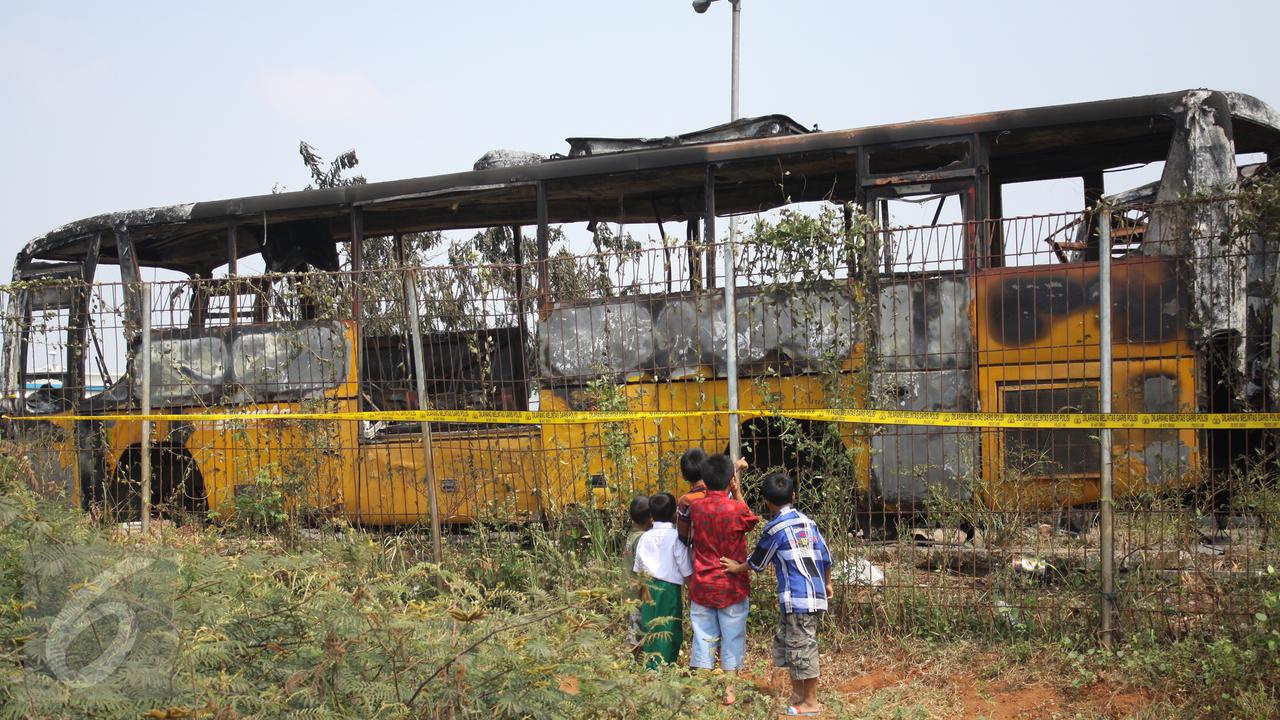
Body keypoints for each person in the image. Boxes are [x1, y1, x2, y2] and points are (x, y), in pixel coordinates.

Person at [721, 472, 832, 716]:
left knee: (803, 648)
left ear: (766, 502)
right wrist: (827, 583)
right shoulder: (808, 522)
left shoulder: (775, 529)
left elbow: (758, 561)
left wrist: (735, 567)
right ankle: (797, 695)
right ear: (793, 496)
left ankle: (811, 703)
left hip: (798, 598)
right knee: (791, 643)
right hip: (812, 594)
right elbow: (824, 555)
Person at [687, 453, 759, 705]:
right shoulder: (736, 508)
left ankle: (700, 692)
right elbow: (750, 520)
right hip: (731, 585)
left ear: (704, 480)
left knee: (703, 636)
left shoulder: (695, 508)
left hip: (703, 585)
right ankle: (729, 690)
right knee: (732, 637)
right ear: (730, 480)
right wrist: (737, 492)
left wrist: (732, 472)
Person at [633, 492, 692, 668]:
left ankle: (651, 667)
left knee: (650, 627)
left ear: (651, 515)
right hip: (669, 590)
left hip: (648, 587)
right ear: (675, 513)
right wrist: (692, 588)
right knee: (669, 629)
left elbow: (638, 567)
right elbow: (684, 565)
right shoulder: (676, 537)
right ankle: (666, 666)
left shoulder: (644, 537)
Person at [623, 495, 652, 660]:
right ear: (650, 518)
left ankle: (634, 657)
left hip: (629, 588)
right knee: (637, 628)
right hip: (637, 591)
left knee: (634, 625)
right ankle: (631, 659)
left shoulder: (632, 534)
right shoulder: (642, 538)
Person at [675, 447, 708, 546]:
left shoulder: (686, 501)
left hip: (700, 556)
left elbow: (684, 538)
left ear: (684, 476)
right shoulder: (721, 491)